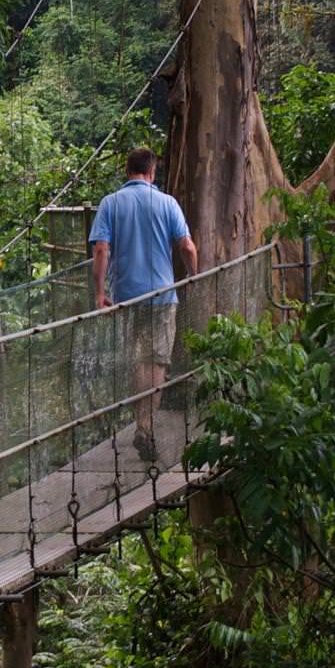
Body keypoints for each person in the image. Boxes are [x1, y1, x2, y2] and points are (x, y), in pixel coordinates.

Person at [88, 148, 197, 466]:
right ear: (152, 172)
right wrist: (193, 276)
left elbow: (101, 250)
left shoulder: (110, 203)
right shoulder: (167, 203)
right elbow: (187, 246)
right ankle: (146, 427)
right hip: (163, 298)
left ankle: (142, 423)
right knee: (157, 362)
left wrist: (99, 293)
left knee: (138, 361)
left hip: (126, 299)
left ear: (127, 170)